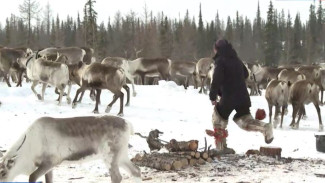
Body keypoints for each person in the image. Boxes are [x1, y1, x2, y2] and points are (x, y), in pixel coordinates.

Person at [207, 39, 273, 151]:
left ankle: (221, 148)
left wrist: (213, 96)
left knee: (218, 119)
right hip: (243, 96)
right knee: (245, 121)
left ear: (217, 49)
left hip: (228, 97)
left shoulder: (221, 61)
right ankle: (265, 128)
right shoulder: (237, 60)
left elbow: (216, 80)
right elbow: (246, 74)